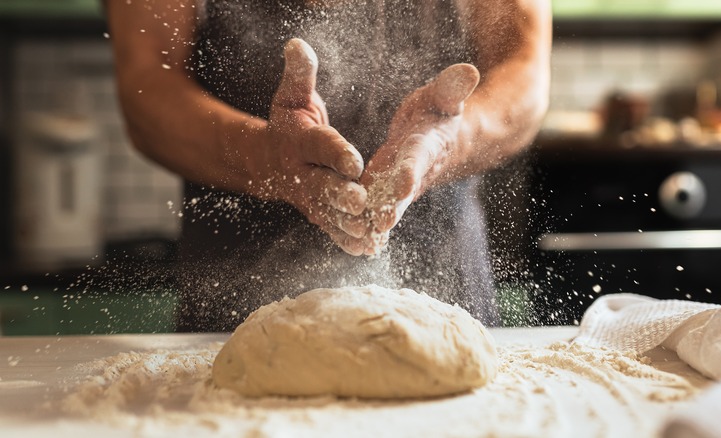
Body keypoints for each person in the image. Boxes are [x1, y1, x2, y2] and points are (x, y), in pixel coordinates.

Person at [105, 0, 551, 332]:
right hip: (236, 306)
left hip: (446, 295)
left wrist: (449, 140)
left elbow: (523, 71)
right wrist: (266, 157)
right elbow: (147, 85)